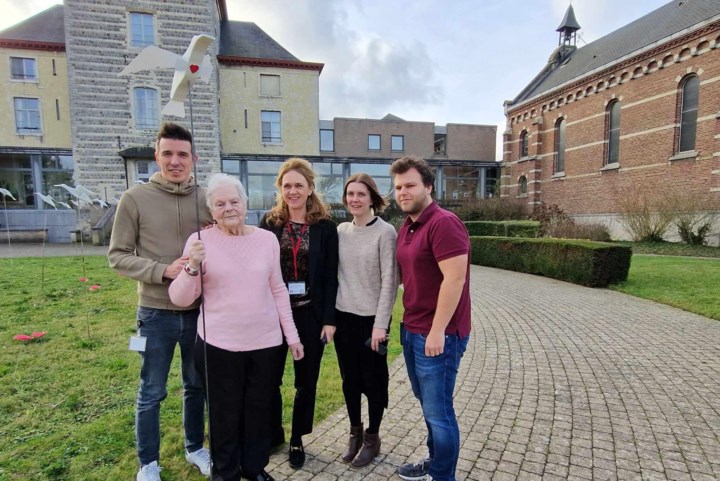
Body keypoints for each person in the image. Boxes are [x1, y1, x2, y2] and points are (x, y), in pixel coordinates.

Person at [169, 173, 304, 481]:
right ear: (211, 209)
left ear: (245, 203)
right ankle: (226, 473)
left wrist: (291, 336)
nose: (228, 208)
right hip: (219, 346)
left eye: (234, 201)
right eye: (220, 204)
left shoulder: (266, 239)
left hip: (266, 343)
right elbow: (179, 298)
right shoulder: (199, 241)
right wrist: (191, 267)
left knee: (258, 412)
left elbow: (278, 289)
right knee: (224, 415)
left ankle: (254, 468)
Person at [108, 122, 213, 481]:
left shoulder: (207, 198)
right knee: (152, 390)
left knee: (197, 385)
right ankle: (148, 463)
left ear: (193, 159)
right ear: (157, 156)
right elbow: (118, 256)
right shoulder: (134, 199)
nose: (175, 161)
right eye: (167, 153)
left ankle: (195, 447)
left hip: (200, 312)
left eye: (182, 154)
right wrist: (162, 270)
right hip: (155, 313)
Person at [391, 156, 471, 481]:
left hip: (439, 335)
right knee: (429, 405)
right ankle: (435, 461)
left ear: (428, 186)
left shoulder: (444, 223)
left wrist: (437, 331)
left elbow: (455, 280)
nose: (402, 192)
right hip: (412, 329)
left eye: (409, 185)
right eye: (397, 187)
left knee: (439, 413)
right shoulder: (408, 226)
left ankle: (442, 476)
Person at [258, 157, 338, 469]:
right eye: (287, 185)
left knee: (306, 381)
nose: (293, 191)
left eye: (298, 185)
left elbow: (332, 276)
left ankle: (297, 437)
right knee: (269, 378)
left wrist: (329, 318)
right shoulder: (269, 223)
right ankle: (273, 432)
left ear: (309, 189)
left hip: (309, 315)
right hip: (274, 315)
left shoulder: (325, 228)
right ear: (280, 188)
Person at [334, 173, 398, 467]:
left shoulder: (386, 233)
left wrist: (381, 325)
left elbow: (389, 282)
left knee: (374, 383)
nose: (354, 199)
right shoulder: (341, 231)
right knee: (350, 382)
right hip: (344, 318)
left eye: (361, 194)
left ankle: (373, 437)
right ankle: (355, 433)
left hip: (372, 323)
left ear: (372, 198)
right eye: (350, 194)